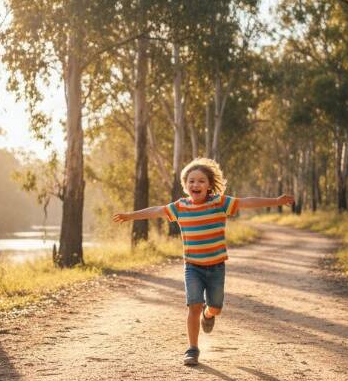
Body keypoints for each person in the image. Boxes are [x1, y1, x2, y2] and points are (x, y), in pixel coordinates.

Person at [112, 157, 294, 366]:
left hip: (216, 267)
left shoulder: (219, 203)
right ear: (185, 185)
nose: (195, 184)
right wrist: (129, 216)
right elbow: (155, 211)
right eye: (191, 181)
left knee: (215, 307)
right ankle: (192, 348)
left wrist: (276, 201)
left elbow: (247, 202)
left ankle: (209, 315)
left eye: (200, 181)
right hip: (193, 267)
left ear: (209, 185)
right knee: (194, 306)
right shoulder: (180, 207)